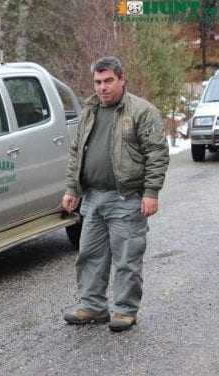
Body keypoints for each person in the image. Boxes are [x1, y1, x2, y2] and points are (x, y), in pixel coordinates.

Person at [61, 56, 169, 332]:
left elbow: (157, 154)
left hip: (126, 198)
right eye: (97, 82)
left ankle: (124, 311)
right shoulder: (89, 111)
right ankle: (93, 306)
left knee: (126, 257)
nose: (102, 87)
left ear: (122, 80)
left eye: (108, 81)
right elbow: (76, 151)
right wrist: (72, 188)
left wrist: (151, 192)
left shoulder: (141, 111)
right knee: (89, 255)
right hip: (93, 198)